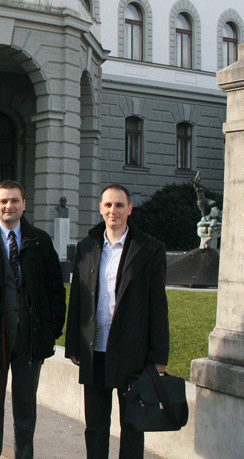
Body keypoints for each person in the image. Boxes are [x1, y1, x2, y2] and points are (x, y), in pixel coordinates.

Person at [0, 180, 66, 459]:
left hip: (31, 341)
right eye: (4, 201)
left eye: (15, 201)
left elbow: (56, 289)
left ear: (23, 205)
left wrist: (52, 330)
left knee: (26, 409)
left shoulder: (40, 241)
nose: (10, 206)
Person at [65, 184, 169, 459]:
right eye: (108, 205)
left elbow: (159, 305)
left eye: (119, 205)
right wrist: (73, 346)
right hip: (95, 350)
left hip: (133, 352)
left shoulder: (150, 249)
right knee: (96, 425)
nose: (113, 211)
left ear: (129, 210)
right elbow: (77, 300)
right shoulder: (86, 247)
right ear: (100, 209)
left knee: (133, 425)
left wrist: (159, 355)